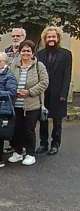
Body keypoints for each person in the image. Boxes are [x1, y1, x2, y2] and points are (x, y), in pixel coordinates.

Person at [9, 40, 49, 166]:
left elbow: (44, 83)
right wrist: (14, 90)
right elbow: (8, 80)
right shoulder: (13, 66)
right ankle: (18, 152)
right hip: (16, 104)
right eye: (23, 50)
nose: (25, 53)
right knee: (17, 129)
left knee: (29, 130)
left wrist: (29, 92)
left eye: (28, 51)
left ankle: (30, 154)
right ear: (19, 52)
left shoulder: (39, 66)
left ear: (32, 53)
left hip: (32, 105)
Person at [36, 26, 72, 155]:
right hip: (43, 92)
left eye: (53, 37)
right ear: (45, 39)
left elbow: (67, 75)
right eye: (48, 37)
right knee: (43, 119)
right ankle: (43, 144)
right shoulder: (39, 54)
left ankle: (55, 144)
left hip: (58, 92)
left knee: (57, 120)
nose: (51, 39)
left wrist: (64, 93)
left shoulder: (65, 54)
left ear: (58, 38)